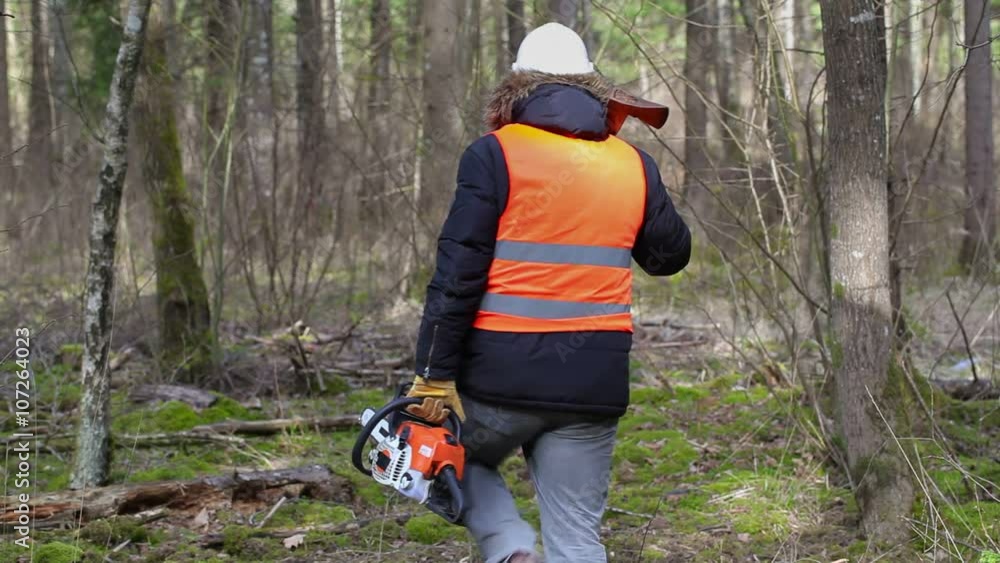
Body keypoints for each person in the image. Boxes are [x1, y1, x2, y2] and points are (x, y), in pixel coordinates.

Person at [405, 22, 692, 563]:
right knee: (577, 537)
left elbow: (457, 275)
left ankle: (511, 549)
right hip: (592, 385)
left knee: (432, 454)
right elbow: (669, 256)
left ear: (518, 87)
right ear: (591, 87)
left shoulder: (494, 154)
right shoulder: (631, 162)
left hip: (497, 380)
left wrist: (434, 374)